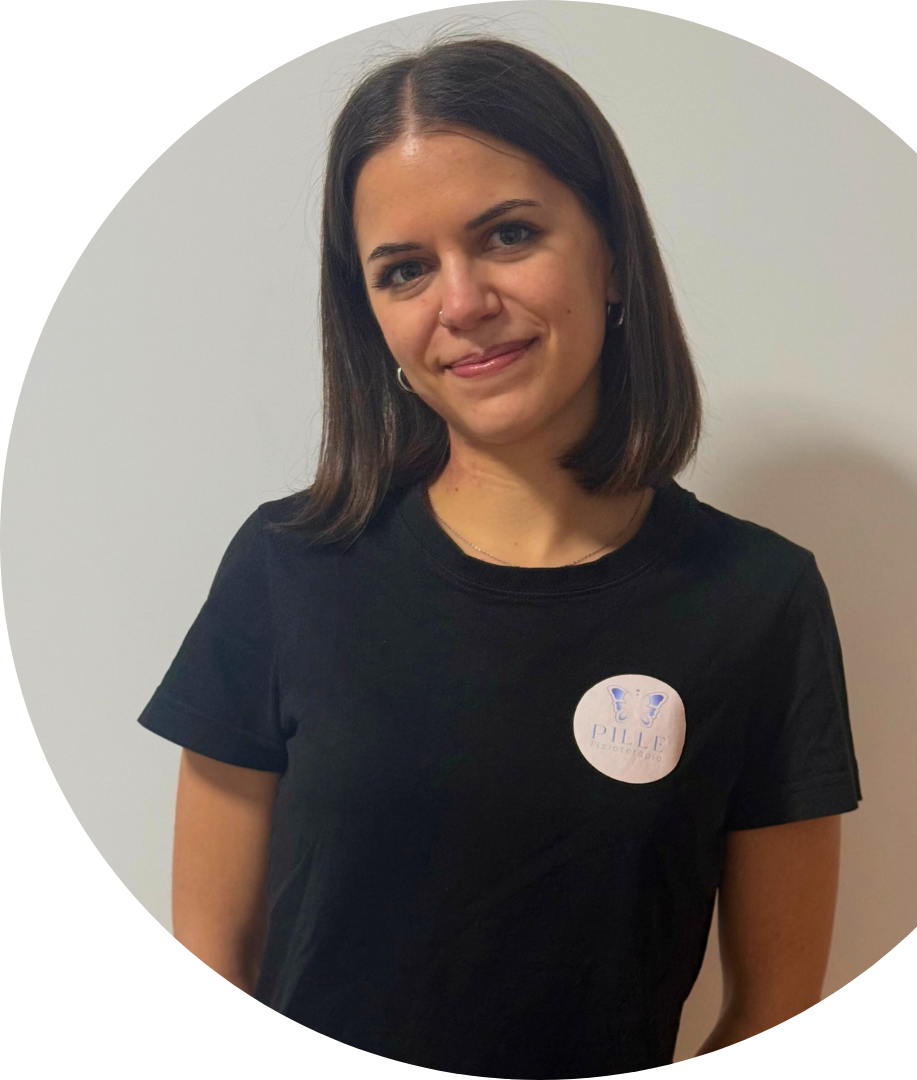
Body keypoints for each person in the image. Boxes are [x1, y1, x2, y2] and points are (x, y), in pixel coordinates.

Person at [138, 33, 862, 1078]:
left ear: (612, 255)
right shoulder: (286, 567)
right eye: (405, 270)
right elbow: (212, 947)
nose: (462, 303)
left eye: (510, 234)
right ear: (371, 316)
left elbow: (777, 1002)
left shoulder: (759, 600)